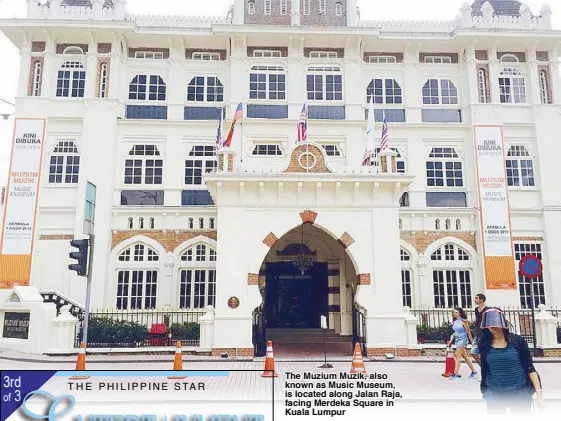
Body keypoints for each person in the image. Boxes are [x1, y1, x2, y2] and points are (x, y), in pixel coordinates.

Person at [478, 308, 543, 413]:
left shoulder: (517, 341)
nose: (492, 325)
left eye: (495, 321)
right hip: (495, 393)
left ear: (502, 321)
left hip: (519, 392)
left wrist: (539, 394)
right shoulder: (484, 343)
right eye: (489, 321)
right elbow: (485, 367)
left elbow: (529, 368)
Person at [448, 307, 478, 380]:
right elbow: (455, 332)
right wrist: (451, 339)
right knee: (465, 357)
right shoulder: (455, 322)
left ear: (460, 313)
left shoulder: (463, 321)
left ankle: (455, 374)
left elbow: (468, 332)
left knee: (457, 356)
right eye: (454, 312)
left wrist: (472, 342)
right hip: (457, 340)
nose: (454, 314)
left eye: (456, 312)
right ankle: (474, 371)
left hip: (463, 340)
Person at [471, 293, 489, 368]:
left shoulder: (487, 309)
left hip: (485, 333)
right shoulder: (476, 309)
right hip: (477, 333)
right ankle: (484, 368)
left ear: (481, 300)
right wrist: (471, 323)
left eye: (476, 298)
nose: (474, 300)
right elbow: (478, 320)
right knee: (474, 353)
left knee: (484, 353)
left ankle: (486, 371)